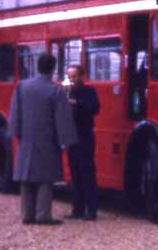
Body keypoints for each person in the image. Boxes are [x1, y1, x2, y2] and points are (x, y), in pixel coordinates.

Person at [9, 52, 76, 225]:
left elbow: (15, 113)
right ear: (52, 69)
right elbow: (62, 118)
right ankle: (43, 215)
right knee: (45, 178)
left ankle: (27, 214)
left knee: (26, 176)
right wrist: (66, 141)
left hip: (26, 137)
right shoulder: (56, 90)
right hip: (48, 139)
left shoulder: (22, 86)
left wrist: (15, 132)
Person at [64, 63, 100, 220]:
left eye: (74, 76)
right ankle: (77, 209)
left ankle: (91, 210)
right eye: (69, 76)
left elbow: (94, 108)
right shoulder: (67, 91)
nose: (71, 79)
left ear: (81, 77)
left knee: (87, 172)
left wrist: (75, 103)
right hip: (72, 135)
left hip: (85, 136)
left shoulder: (89, 91)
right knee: (74, 173)